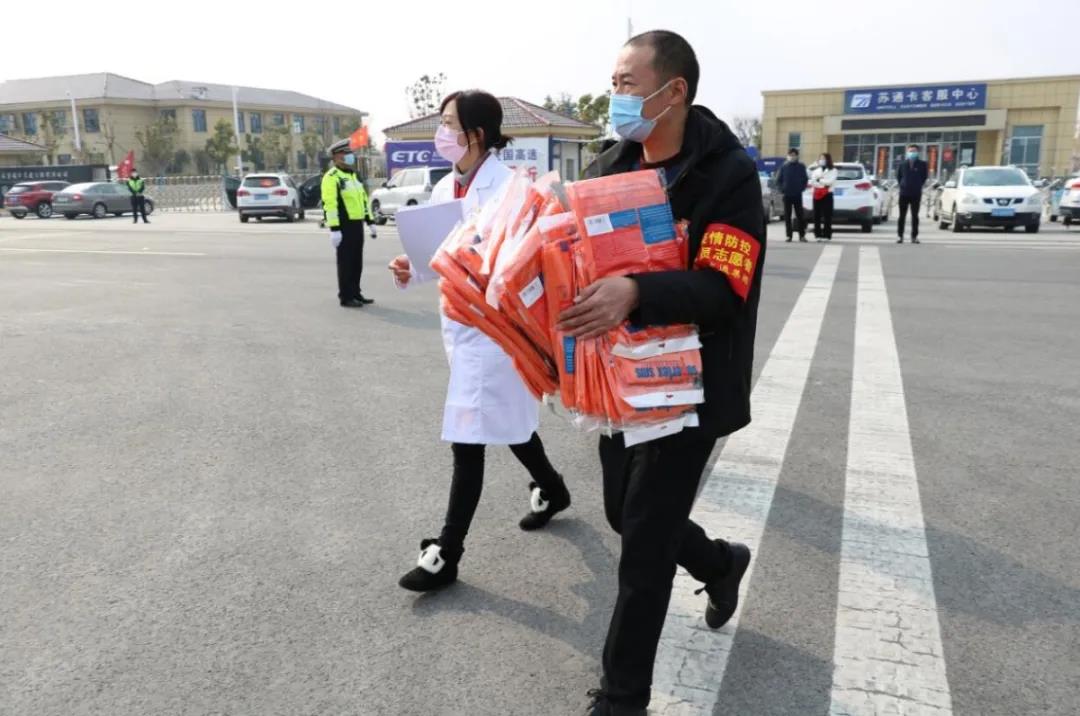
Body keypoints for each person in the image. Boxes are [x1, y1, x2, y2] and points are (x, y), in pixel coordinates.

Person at [558, 31, 763, 715]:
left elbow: (724, 288)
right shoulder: (607, 167)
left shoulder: (726, 174)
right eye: (613, 83)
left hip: (690, 385)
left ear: (673, 91)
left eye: (626, 83)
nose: (615, 96)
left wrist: (637, 291)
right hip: (621, 382)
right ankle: (719, 563)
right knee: (625, 512)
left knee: (644, 543)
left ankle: (622, 699)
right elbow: (565, 253)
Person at [389, 90, 572, 593]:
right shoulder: (443, 186)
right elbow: (437, 258)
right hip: (461, 326)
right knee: (507, 421)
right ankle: (553, 489)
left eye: (450, 123)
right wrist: (411, 268)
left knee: (468, 434)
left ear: (478, 134)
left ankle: (447, 553)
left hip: (496, 331)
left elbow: (523, 263)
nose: (442, 133)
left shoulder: (512, 189)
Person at [321, 139, 376, 308]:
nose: (350, 156)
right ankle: (345, 296)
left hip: (357, 224)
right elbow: (330, 205)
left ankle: (356, 292)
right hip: (343, 226)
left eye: (350, 153)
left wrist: (370, 221)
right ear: (337, 156)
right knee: (345, 262)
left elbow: (363, 200)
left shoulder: (353, 175)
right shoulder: (332, 177)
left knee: (356, 261)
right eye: (346, 153)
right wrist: (335, 229)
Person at [896, 144, 928, 244]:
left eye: (914, 151)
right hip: (904, 193)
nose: (912, 153)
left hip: (916, 193)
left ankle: (914, 237)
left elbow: (924, 177)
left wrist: (917, 185)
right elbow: (899, 176)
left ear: (917, 152)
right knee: (902, 216)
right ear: (907, 152)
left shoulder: (922, 164)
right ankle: (900, 236)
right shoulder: (902, 164)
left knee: (915, 216)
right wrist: (903, 185)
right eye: (910, 151)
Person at [775, 148, 808, 242]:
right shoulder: (784, 166)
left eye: (794, 155)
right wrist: (782, 190)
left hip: (797, 194)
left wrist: (801, 188)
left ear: (797, 156)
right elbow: (778, 180)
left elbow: (805, 179)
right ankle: (789, 236)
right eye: (790, 155)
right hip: (787, 195)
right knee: (787, 216)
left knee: (800, 215)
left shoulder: (801, 166)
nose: (792, 157)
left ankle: (802, 235)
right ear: (788, 156)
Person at [809, 152, 837, 241]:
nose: (822, 160)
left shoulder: (833, 170)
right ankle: (817, 234)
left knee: (827, 215)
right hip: (817, 194)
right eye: (821, 158)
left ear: (828, 159)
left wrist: (820, 180)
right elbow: (813, 182)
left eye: (824, 158)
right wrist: (823, 184)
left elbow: (830, 182)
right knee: (816, 215)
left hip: (828, 194)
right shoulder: (816, 170)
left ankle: (827, 235)